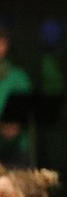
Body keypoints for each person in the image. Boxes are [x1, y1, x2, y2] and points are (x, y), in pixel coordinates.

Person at [0, 29, 32, 165]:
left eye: (1, 42)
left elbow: (26, 109)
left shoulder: (19, 77)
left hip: (16, 150)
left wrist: (15, 126)